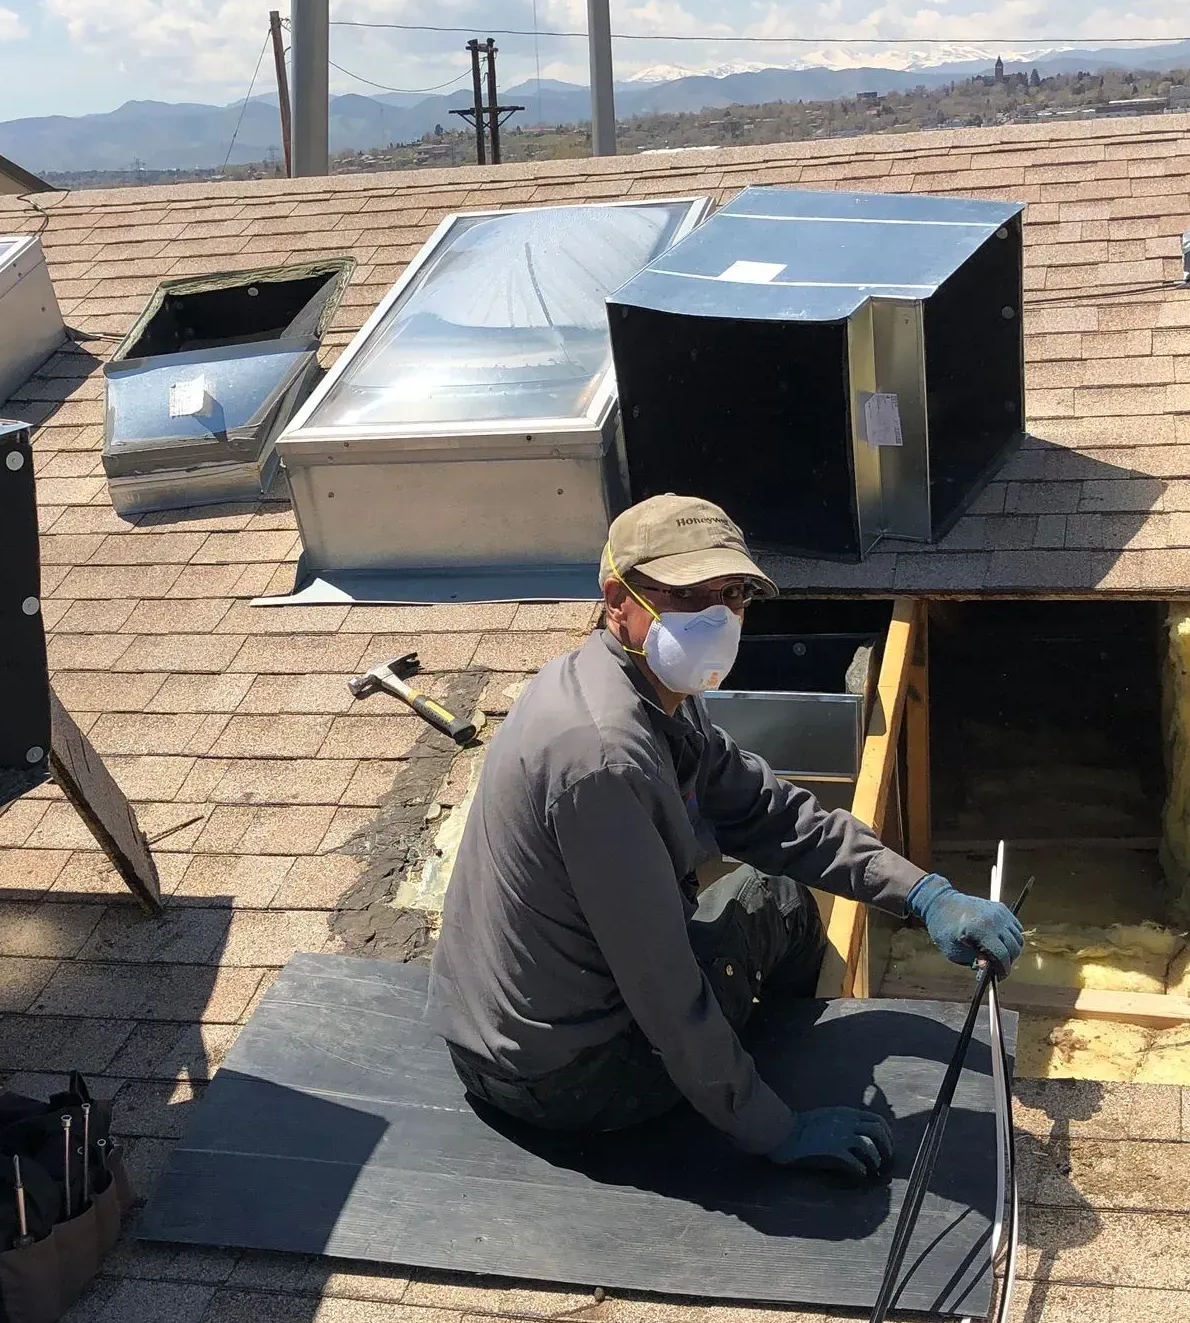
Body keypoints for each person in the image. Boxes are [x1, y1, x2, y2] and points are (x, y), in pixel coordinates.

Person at [428, 493, 1023, 1180]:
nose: (717, 616)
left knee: (774, 885)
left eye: (734, 594)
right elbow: (663, 987)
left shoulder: (644, 692)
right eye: (688, 594)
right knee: (777, 908)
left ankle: (761, 1053)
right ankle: (772, 1082)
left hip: (522, 1026)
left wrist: (923, 893)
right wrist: (774, 1128)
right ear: (619, 597)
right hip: (564, 1079)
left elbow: (773, 814)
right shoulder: (603, 758)